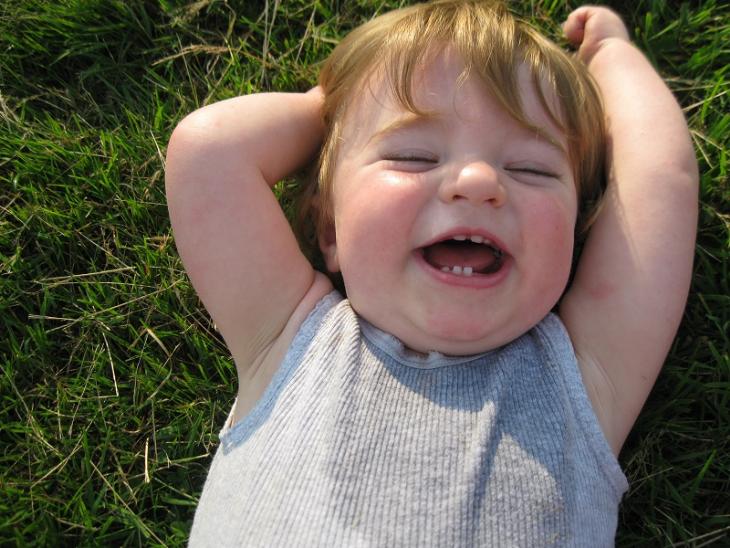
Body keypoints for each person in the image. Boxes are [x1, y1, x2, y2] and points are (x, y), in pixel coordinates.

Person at [165, 1, 698, 545]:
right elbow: (210, 153)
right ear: (330, 229)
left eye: (531, 168)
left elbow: (659, 180)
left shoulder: (587, 379)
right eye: (414, 155)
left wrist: (613, 55)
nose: (478, 181)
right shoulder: (288, 342)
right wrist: (341, 98)